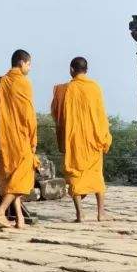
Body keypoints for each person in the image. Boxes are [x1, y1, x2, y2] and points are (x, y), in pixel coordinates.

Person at [51, 57, 112, 222]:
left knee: (75, 176)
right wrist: (104, 136)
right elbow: (101, 116)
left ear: (72, 69)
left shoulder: (65, 90)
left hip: (75, 140)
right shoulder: (95, 88)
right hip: (93, 140)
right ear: (87, 70)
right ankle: (101, 213)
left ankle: (80, 214)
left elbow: (56, 114)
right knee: (97, 175)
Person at [0, 49, 38, 229]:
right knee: (21, 178)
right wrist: (33, 140)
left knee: (12, 179)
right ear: (22, 62)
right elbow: (29, 115)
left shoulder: (1, 83)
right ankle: (0, 212)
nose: (30, 67)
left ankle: (19, 218)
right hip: (21, 137)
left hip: (4, 137)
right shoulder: (23, 83)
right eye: (29, 64)